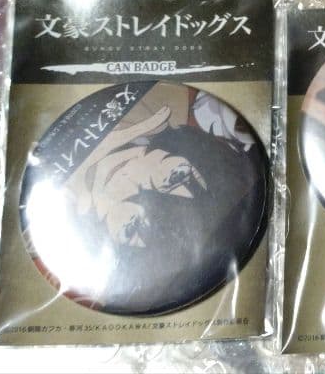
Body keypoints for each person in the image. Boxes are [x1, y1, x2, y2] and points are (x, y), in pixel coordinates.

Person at [26, 85, 266, 313]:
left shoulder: (52, 217)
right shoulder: (169, 101)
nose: (137, 189)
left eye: (133, 228)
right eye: (179, 175)